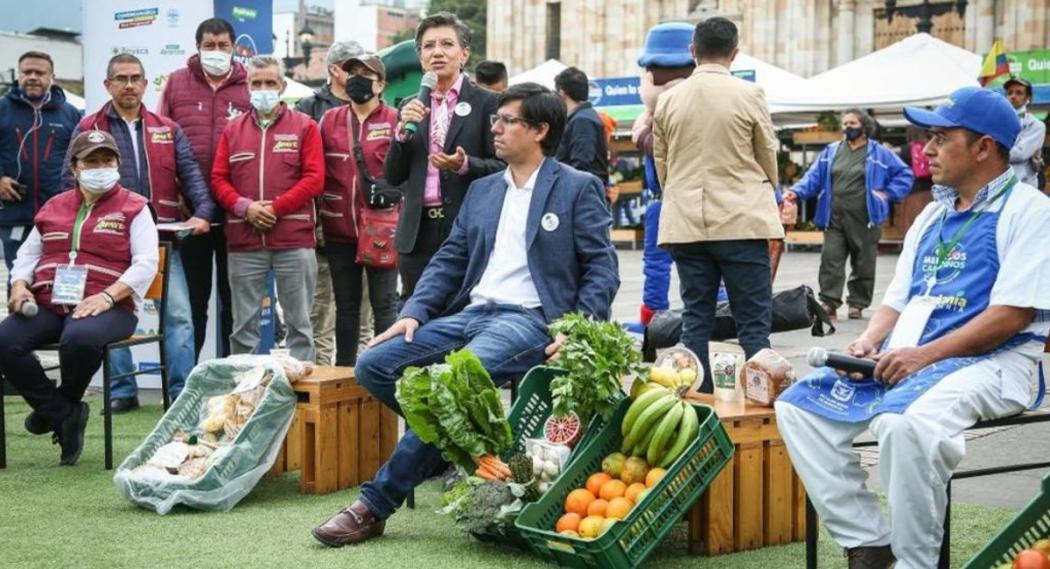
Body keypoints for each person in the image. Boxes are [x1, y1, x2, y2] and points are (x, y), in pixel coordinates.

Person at [311, 82, 619, 547]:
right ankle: (450, 448)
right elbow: (450, 260)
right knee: (373, 364)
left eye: (508, 120)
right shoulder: (482, 190)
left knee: (454, 383)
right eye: (496, 119)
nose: (494, 128)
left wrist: (578, 329)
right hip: (472, 312)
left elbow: (602, 268)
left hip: (530, 320)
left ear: (539, 130)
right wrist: (414, 312)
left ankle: (373, 506)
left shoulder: (577, 187)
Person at [776, 86, 1050, 569]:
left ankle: (915, 562)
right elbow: (898, 299)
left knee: (903, 424)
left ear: (984, 147)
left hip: (996, 364)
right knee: (800, 407)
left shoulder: (1030, 211)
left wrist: (922, 356)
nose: (926, 150)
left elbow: (1012, 315)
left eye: (942, 138)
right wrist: (868, 341)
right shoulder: (930, 215)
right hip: (908, 360)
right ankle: (869, 541)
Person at [63, 53, 214, 413]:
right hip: (108, 242)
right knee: (109, 315)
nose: (129, 85)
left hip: (162, 241)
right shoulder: (88, 127)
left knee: (178, 316)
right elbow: (67, 181)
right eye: (121, 78)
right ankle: (121, 391)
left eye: (135, 78)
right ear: (107, 84)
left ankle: (181, 393)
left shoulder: (168, 127)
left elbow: (191, 175)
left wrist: (204, 213)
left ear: (146, 84)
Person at [0, 131, 158, 466]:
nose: (101, 167)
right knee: (5, 339)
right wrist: (19, 285)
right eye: (91, 161)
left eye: (107, 160)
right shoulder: (53, 207)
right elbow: (28, 255)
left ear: (117, 163)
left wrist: (107, 296)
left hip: (111, 305)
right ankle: (62, 412)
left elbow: (147, 263)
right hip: (49, 302)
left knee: (80, 338)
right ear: (75, 167)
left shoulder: (135, 207)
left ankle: (60, 406)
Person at [652, 17, 782, 386]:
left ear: (693, 51)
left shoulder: (668, 100)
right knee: (754, 325)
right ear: (734, 53)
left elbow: (663, 163)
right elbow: (767, 153)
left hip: (686, 221)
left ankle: (698, 401)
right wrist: (762, 193)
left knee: (696, 319)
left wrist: (680, 195)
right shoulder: (749, 94)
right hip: (742, 219)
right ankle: (758, 410)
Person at [384, 11, 505, 299]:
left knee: (462, 313)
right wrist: (401, 135)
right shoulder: (409, 106)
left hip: (466, 227)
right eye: (428, 46)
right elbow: (392, 176)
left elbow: (504, 167)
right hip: (417, 230)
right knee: (416, 315)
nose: (437, 52)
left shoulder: (488, 103)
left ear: (464, 54)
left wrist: (465, 164)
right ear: (420, 56)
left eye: (446, 44)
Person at [210, 56, 324, 362]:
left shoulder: (305, 127)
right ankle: (243, 394)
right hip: (244, 241)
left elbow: (314, 179)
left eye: (270, 83)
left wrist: (274, 208)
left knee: (299, 325)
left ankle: (302, 398)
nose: (263, 89)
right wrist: (244, 207)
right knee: (243, 328)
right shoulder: (232, 131)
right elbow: (219, 179)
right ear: (247, 86)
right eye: (256, 83)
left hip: (294, 240)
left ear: (282, 86)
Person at [157, 17, 251, 360]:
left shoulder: (249, 86)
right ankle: (188, 379)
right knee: (193, 303)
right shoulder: (177, 83)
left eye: (222, 46)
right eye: (209, 46)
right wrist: (179, 193)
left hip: (237, 213)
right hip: (191, 213)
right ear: (198, 47)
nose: (216, 52)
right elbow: (161, 140)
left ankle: (231, 373)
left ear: (233, 48)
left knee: (235, 303)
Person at [785, 109, 914, 321]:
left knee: (864, 262)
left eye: (852, 123)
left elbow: (905, 174)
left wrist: (888, 193)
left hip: (866, 218)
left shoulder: (879, 153)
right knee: (831, 259)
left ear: (864, 127)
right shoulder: (832, 151)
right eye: (845, 124)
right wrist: (796, 192)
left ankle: (857, 303)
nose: (847, 127)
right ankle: (829, 302)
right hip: (834, 216)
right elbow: (813, 177)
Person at [318, 53, 399, 366]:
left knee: (384, 305)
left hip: (383, 228)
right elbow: (319, 169)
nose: (357, 79)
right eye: (352, 73)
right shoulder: (330, 120)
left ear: (380, 84)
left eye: (366, 75)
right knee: (347, 308)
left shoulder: (394, 119)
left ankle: (383, 369)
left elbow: (407, 171)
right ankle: (345, 374)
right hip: (339, 228)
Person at [296, 40, 365, 366]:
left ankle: (362, 389)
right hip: (323, 230)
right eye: (353, 67)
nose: (359, 75)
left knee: (362, 317)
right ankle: (324, 386)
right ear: (334, 70)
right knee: (320, 313)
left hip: (367, 230)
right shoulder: (309, 108)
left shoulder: (376, 107)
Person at [631, 22, 694, 326]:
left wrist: (644, 135)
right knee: (658, 266)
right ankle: (654, 320)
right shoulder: (651, 117)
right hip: (664, 201)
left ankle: (716, 315)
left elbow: (666, 149)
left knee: (696, 264)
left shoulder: (673, 119)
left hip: (684, 199)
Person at [0, 51, 81, 282]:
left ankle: (58, 318)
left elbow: (80, 159)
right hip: (16, 213)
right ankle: (19, 317)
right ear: (19, 75)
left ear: (51, 77)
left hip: (60, 215)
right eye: (27, 72)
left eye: (39, 72)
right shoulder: (2, 109)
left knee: (58, 276)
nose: (33, 77)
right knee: (19, 278)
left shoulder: (69, 114)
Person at [553, 67, 611, 194]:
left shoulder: (582, 120)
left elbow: (581, 165)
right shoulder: (582, 117)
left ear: (562, 93)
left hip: (583, 196)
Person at [1003, 77, 1046, 189]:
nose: (1013, 96)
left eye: (1019, 93)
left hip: (1022, 186)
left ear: (1028, 98)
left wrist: (991, 155)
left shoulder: (1036, 125)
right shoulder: (997, 120)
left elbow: (1019, 154)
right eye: (1010, 92)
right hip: (999, 185)